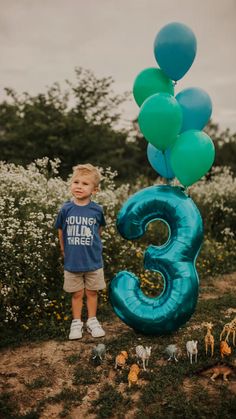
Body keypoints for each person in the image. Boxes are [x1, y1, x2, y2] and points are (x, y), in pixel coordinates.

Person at [55, 163, 106, 339]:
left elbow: (98, 231)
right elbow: (60, 229)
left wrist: (93, 247)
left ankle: (92, 320)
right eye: (76, 182)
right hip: (72, 261)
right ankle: (76, 323)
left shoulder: (97, 210)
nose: (79, 186)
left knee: (92, 292)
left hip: (93, 260)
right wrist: (63, 248)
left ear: (95, 190)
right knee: (77, 294)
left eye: (85, 184)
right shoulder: (66, 209)